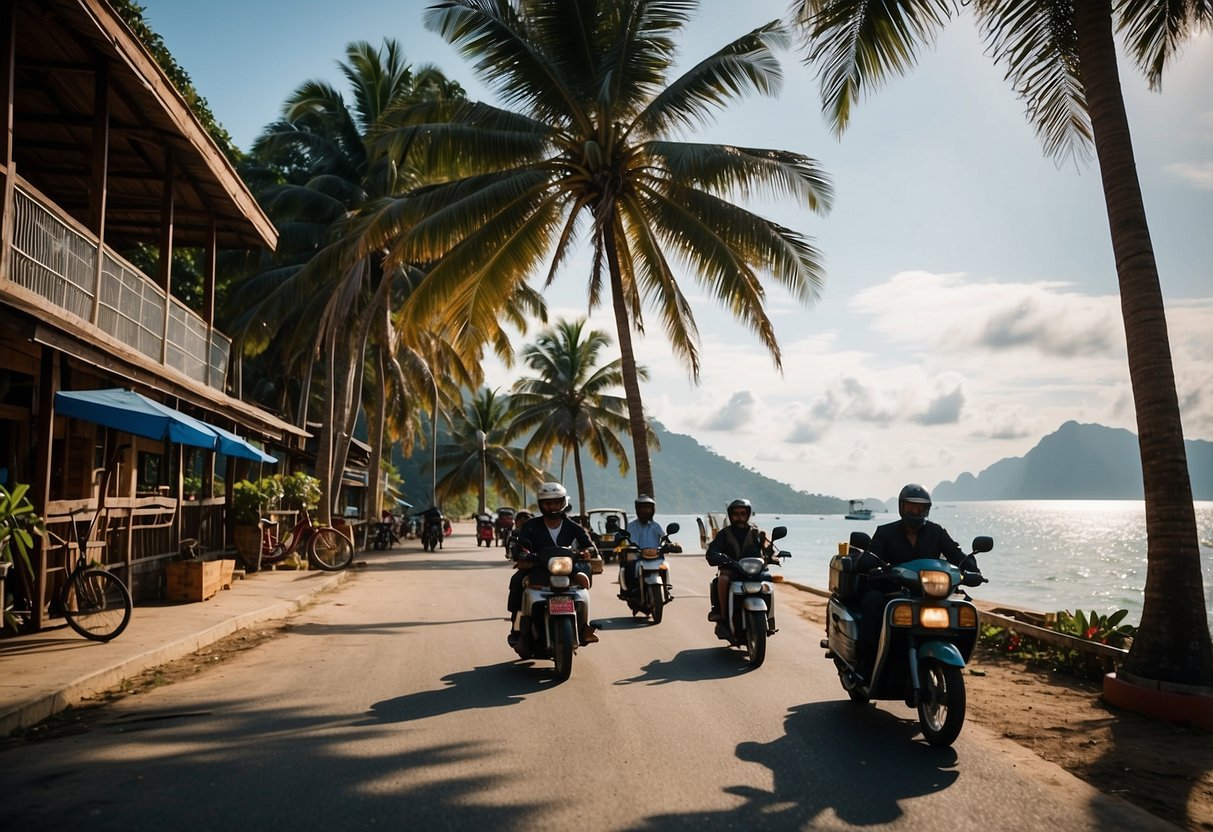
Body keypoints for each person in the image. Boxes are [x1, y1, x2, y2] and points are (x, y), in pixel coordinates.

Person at [854, 483, 980, 681]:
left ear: (926, 510)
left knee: (964, 606)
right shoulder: (885, 532)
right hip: (893, 589)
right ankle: (865, 663)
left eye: (920, 508)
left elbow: (956, 554)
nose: (915, 511)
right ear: (901, 507)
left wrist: (971, 568)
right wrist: (869, 562)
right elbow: (871, 555)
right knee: (872, 601)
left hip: (927, 592)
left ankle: (955, 654)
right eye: (911, 507)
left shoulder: (936, 532)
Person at [508, 482, 599, 649]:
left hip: (567, 568)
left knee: (583, 584)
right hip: (538, 567)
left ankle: (583, 626)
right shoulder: (530, 526)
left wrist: (587, 552)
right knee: (518, 581)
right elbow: (520, 545)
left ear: (562, 502)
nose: (552, 506)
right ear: (541, 504)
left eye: (556, 502)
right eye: (548, 503)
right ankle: (520, 628)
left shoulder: (573, 526)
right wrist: (521, 553)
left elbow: (589, 545)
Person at [704, 498, 773, 640]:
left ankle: (770, 618)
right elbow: (713, 550)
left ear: (748, 515)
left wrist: (773, 553)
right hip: (732, 568)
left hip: (753, 571)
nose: (739, 517)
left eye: (743, 513)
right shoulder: (724, 534)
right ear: (731, 516)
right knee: (722, 579)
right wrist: (718, 556)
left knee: (769, 581)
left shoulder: (756, 533)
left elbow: (766, 547)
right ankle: (723, 618)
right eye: (736, 514)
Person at [620, 495, 667, 598]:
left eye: (648, 508)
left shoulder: (656, 526)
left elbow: (664, 537)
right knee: (629, 567)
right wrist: (624, 543)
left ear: (653, 510)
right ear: (637, 509)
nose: (646, 511)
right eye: (643, 508)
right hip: (637, 556)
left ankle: (666, 589)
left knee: (665, 566)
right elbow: (625, 539)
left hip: (655, 556)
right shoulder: (632, 526)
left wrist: (670, 544)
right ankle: (630, 592)